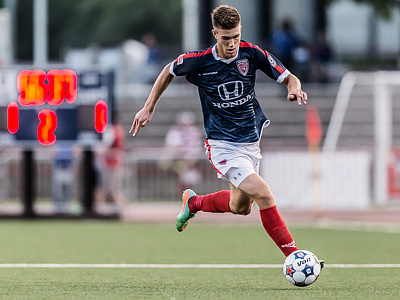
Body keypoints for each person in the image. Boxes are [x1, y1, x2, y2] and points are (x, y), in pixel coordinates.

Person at [130, 4, 324, 264]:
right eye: (225, 38)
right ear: (215, 34)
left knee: (240, 207)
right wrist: (148, 107)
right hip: (222, 144)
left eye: (235, 36)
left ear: (240, 31)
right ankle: (295, 257)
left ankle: (194, 203)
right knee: (264, 194)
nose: (232, 44)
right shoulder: (199, 61)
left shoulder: (252, 54)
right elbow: (168, 71)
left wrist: (294, 89)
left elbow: (290, 77)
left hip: (251, 141)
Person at [164, 110, 203, 192]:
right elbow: (171, 146)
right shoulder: (175, 131)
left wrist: (191, 157)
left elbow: (197, 147)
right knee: (181, 175)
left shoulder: (194, 131)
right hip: (178, 159)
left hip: (192, 161)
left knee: (191, 178)